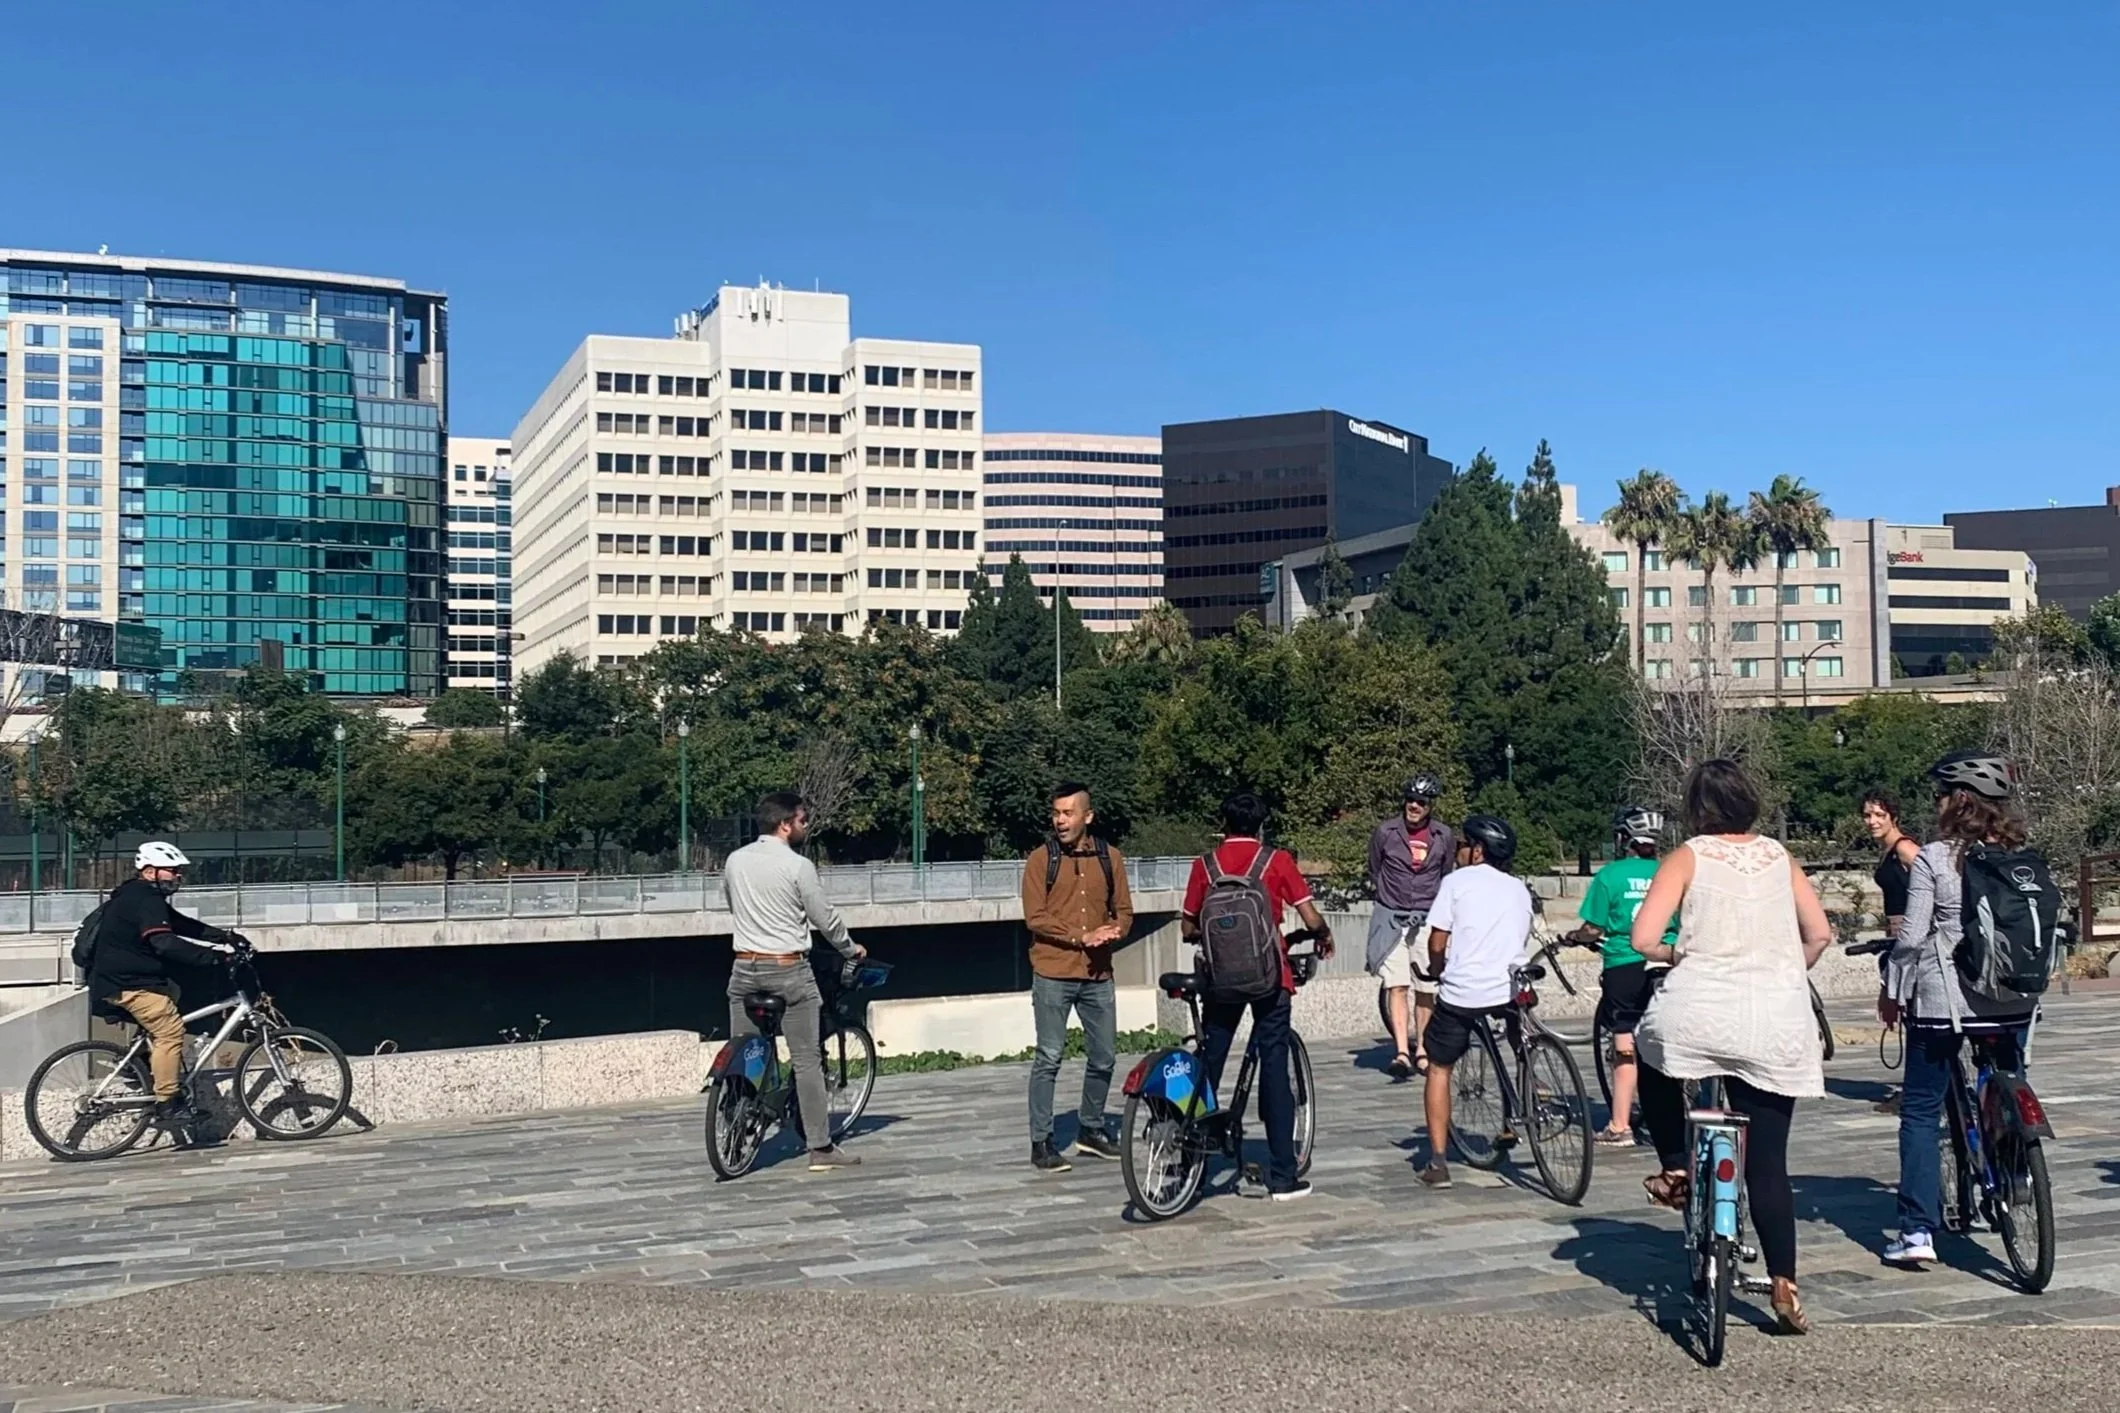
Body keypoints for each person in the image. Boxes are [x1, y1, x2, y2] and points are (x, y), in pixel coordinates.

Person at [1629, 759, 1834, 1335]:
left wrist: (1676, 955)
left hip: (1698, 1010)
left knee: (1650, 1052)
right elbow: (1820, 934)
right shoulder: (1780, 858)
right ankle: (1785, 1283)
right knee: (1767, 1165)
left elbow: (1643, 937)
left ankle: (1675, 1166)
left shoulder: (1687, 856)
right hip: (1774, 1020)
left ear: (1696, 808)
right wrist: (1785, 968)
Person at [1879, 749, 2039, 1269]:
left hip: (1945, 1002)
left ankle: (1916, 1231)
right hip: (2013, 1002)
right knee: (2006, 1081)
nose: (1938, 802)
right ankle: (2016, 1170)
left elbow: (1912, 937)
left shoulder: (1934, 857)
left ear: (1959, 800)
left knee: (1920, 1111)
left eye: (1942, 795)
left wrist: (1892, 986)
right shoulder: (2020, 855)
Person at [1180, 792, 1334, 1201]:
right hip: (1270, 976)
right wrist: (1322, 934)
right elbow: (1310, 916)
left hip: (1220, 980)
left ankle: (1189, 1159)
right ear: (1261, 826)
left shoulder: (1205, 865)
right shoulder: (1276, 860)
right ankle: (1283, 1175)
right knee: (1274, 1064)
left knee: (1209, 1060)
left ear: (1223, 824)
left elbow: (1188, 928)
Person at [724, 792, 866, 1172]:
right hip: (788, 970)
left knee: (743, 1053)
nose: (806, 826)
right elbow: (824, 917)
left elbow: (733, 904)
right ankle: (820, 1148)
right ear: (785, 824)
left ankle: (735, 1136)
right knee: (806, 1060)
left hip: (743, 968)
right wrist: (850, 949)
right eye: (803, 820)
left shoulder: (735, 860)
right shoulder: (798, 866)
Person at [85, 842, 248, 1144]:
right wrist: (216, 957)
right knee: (171, 1030)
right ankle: (167, 1104)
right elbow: (164, 942)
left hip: (124, 978)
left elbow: (179, 925)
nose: (177, 876)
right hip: (127, 983)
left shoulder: (137, 894)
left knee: (172, 991)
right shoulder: (146, 898)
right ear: (150, 871)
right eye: (172, 870)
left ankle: (141, 1062)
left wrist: (224, 936)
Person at [1021, 780, 1136, 1172]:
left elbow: (1124, 911)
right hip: (1053, 972)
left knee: (1104, 1057)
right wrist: (1079, 936)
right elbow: (1035, 917)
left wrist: (1115, 930)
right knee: (1049, 1057)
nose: (1060, 820)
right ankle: (1042, 1141)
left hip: (1098, 974)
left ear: (1088, 816)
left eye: (1068, 813)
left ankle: (1091, 1128)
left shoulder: (1110, 857)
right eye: (1056, 813)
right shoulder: (1041, 860)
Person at [1415, 814, 1534, 1191]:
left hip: (1465, 991)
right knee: (1519, 1034)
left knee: (1439, 1067)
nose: (1459, 851)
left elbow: (1437, 940)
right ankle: (1529, 1092)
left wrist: (1436, 969)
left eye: (1463, 845)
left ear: (1478, 850)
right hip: (1509, 986)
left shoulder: (1456, 882)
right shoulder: (1518, 888)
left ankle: (1438, 1162)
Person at [1568, 805, 1673, 1146]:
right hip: (1669, 959)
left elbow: (1594, 926)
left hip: (1625, 961)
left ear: (1625, 839)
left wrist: (1576, 937)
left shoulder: (1611, 875)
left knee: (1624, 1039)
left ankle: (1619, 1125)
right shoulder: (1671, 871)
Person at [1366, 773, 1454, 1079]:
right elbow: (1375, 868)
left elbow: (1446, 873)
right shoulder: (1385, 832)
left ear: (1430, 806)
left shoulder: (1444, 836)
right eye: (1410, 800)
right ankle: (1402, 1051)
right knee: (1397, 984)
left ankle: (1423, 1049)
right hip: (1392, 917)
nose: (1414, 806)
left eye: (1421, 802)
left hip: (1427, 918)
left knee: (1426, 987)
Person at [1864, 788, 1923, 1115]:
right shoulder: (1888, 851)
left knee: (1915, 1015)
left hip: (1910, 941)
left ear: (1893, 817)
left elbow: (1930, 885)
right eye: (1868, 815)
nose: (1872, 821)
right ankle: (1915, 1086)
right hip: (1896, 939)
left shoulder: (1904, 848)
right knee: (1909, 1015)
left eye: (1879, 815)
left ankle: (1918, 1090)